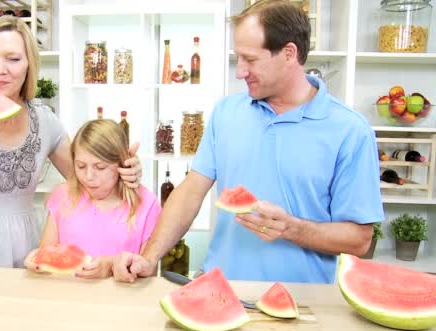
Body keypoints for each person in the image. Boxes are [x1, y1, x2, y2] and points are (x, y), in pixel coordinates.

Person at [113, 0, 384, 284]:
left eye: (250, 59)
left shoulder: (350, 130)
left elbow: (360, 239)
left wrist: (292, 229)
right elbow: (191, 192)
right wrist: (149, 256)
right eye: (238, 58)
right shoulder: (227, 113)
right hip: (220, 287)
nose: (240, 71)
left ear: (289, 53)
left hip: (305, 302)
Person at [0, 16, 141, 268]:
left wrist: (124, 170)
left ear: (30, 63)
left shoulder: (45, 120)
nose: (0, 70)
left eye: (13, 59)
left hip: (24, 250)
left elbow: (87, 179)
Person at [24, 119, 161, 279]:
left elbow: (148, 269)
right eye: (81, 166)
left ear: (122, 164)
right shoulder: (62, 196)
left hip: (121, 301)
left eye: (100, 167)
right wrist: (34, 260)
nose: (89, 176)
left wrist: (110, 265)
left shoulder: (146, 204)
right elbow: (46, 256)